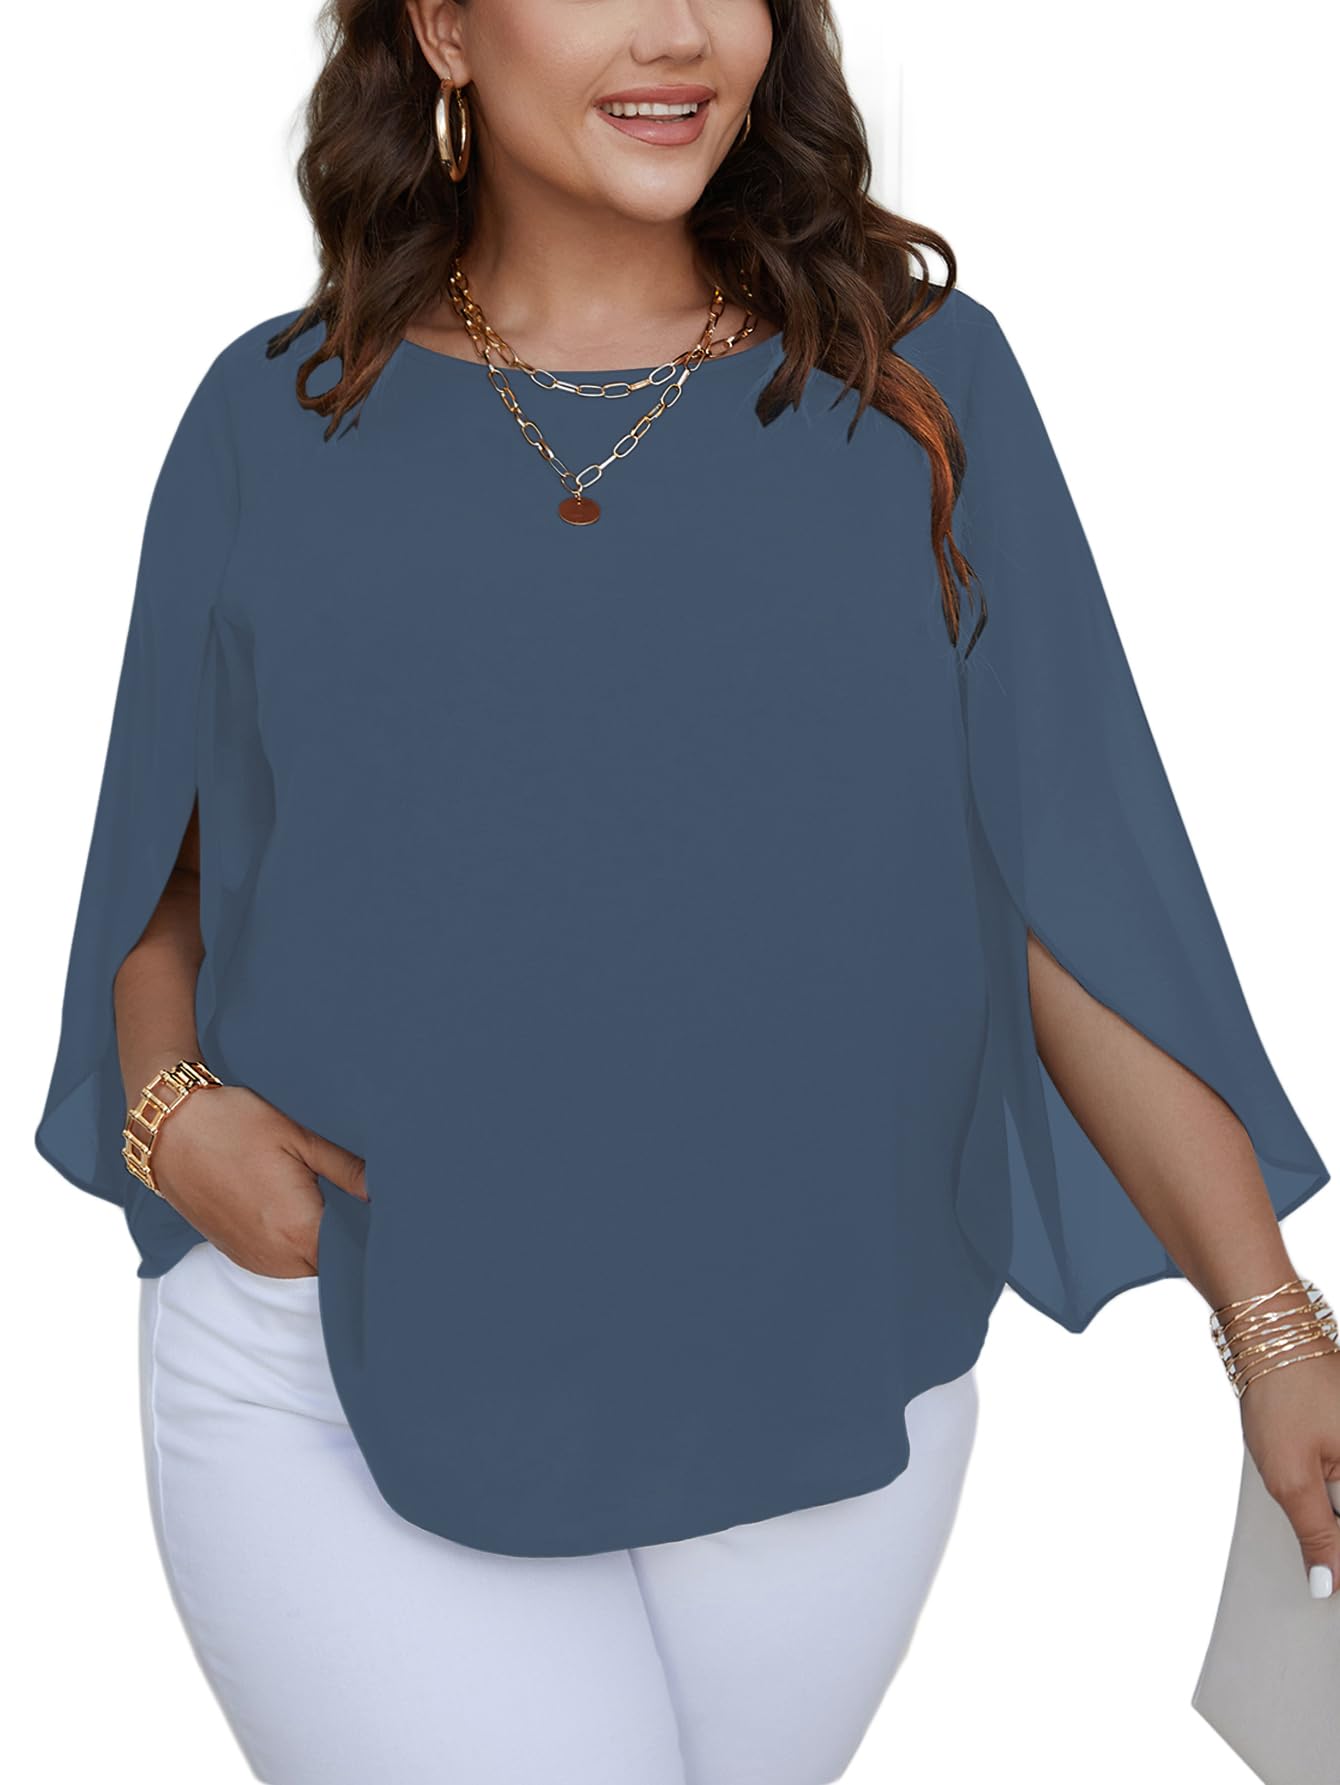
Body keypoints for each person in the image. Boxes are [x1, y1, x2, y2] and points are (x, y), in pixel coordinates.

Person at [34, 2, 1340, 1782]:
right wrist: (170, 1109)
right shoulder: (277, 413)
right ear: (442, 25)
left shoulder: (918, 388)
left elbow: (1066, 894)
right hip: (345, 1352)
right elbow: (171, 865)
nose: (675, 32)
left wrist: (1274, 1330)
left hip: (824, 1378)